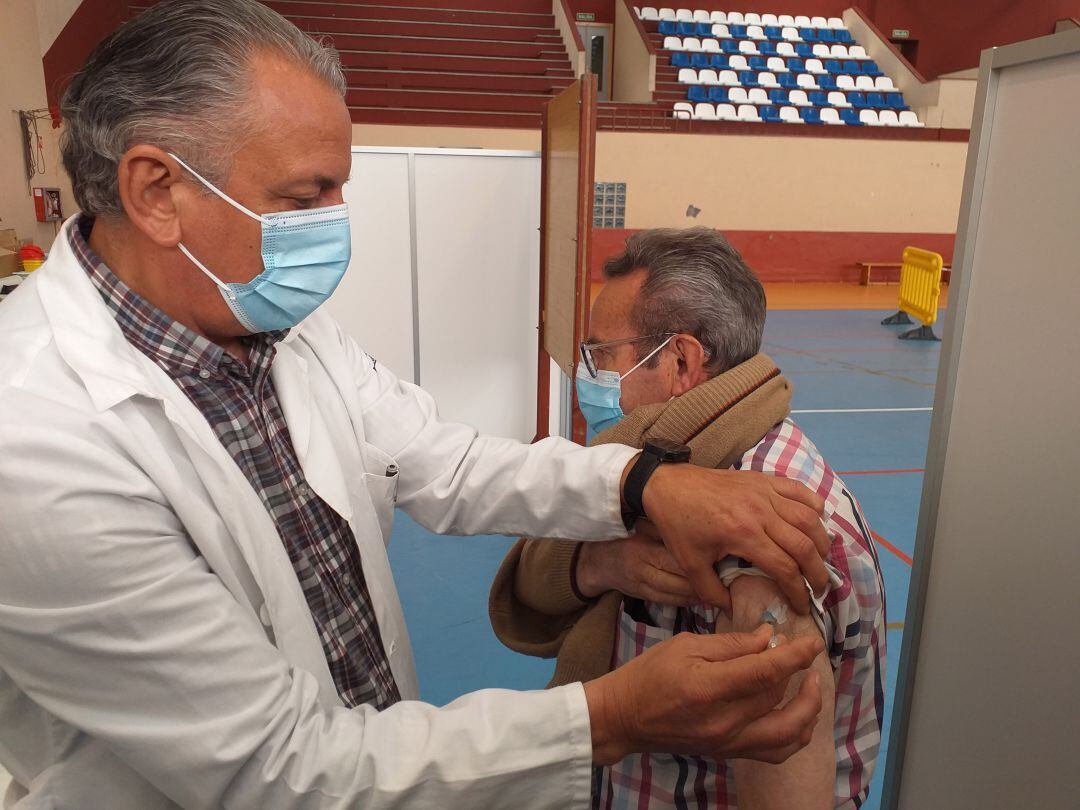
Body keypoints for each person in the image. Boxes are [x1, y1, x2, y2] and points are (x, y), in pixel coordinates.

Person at [0, 2, 836, 808]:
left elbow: (446, 463)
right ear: (155, 192)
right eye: (303, 197)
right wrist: (610, 716)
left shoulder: (272, 322)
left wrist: (640, 485)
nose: (335, 224)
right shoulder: (38, 442)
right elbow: (280, 773)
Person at [490, 228, 887, 809]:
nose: (587, 375)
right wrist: (600, 563)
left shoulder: (757, 516)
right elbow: (533, 584)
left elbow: (784, 752)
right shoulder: (654, 476)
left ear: (680, 361)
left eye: (600, 354)